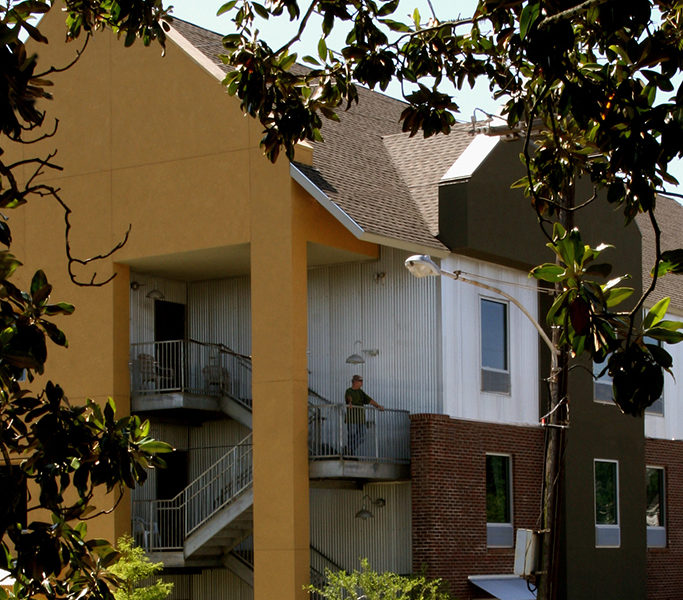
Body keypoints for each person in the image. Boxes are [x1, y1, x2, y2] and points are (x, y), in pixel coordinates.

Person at [345, 375, 384, 456]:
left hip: (361, 419)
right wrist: (350, 403)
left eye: (362, 381)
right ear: (355, 382)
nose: (361, 383)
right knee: (352, 435)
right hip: (352, 419)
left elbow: (369, 400)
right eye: (360, 381)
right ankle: (349, 451)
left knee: (362, 436)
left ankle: (349, 449)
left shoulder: (361, 392)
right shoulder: (349, 391)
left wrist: (378, 406)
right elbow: (348, 398)